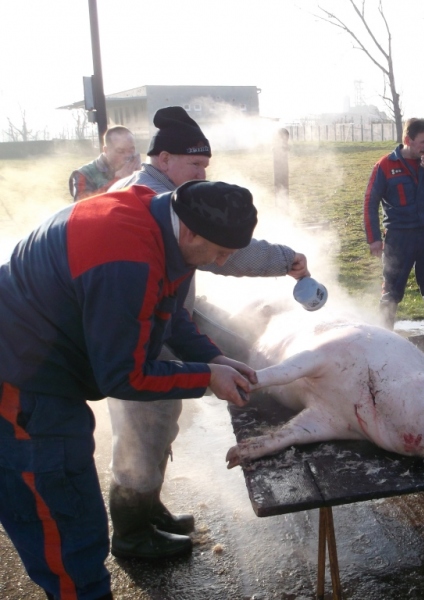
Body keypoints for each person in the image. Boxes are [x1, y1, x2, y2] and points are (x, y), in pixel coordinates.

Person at [0, 179, 259, 600]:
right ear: (191, 231)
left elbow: (167, 312)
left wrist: (215, 358)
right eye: (220, 252)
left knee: (76, 514)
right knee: (66, 533)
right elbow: (125, 377)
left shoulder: (156, 218)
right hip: (18, 385)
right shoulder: (127, 260)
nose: (221, 261)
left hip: (41, 369)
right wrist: (206, 378)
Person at [107, 106, 311, 560]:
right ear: (163, 159)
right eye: (195, 165)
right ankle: (130, 536)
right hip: (142, 327)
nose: (201, 174)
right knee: (143, 424)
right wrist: (283, 260)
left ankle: (148, 510)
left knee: (156, 423)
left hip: (163, 317)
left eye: (205, 166)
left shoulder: (159, 189)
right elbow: (225, 253)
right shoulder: (151, 194)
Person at [363, 117, 424, 344]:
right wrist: (374, 239)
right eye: (422, 142)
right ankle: (384, 342)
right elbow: (370, 202)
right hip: (398, 238)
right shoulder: (385, 165)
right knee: (392, 292)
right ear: (408, 140)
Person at [69, 126, 141, 202]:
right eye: (120, 151)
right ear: (106, 150)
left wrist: (141, 175)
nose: (128, 156)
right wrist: (118, 180)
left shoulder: (137, 168)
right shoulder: (84, 173)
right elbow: (81, 205)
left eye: (131, 150)